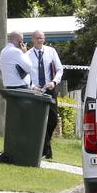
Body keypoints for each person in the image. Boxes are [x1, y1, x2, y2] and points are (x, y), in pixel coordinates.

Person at [28, 30, 63, 159]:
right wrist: (32, 87)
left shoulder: (51, 51)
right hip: (36, 90)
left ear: (44, 39)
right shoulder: (28, 55)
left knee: (53, 120)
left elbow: (60, 69)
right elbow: (25, 75)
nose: (39, 40)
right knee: (39, 120)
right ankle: (45, 151)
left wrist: (54, 82)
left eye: (41, 38)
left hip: (50, 88)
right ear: (32, 39)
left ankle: (45, 147)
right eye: (37, 38)